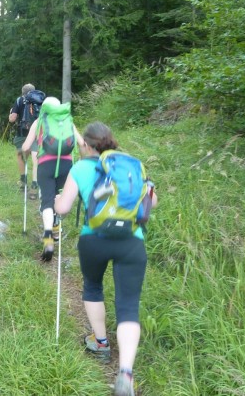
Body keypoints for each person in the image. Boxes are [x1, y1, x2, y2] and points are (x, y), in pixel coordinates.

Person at [54, 121, 158, 396]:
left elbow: (63, 208)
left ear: (86, 145)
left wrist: (56, 201)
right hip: (131, 242)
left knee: (92, 286)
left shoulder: (80, 168)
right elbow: (152, 201)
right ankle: (125, 373)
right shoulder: (130, 165)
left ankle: (100, 343)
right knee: (128, 305)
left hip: (94, 239)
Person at [21, 97, 84, 262]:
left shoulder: (40, 121)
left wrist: (25, 156)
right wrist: (83, 161)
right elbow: (82, 143)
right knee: (59, 196)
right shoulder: (68, 120)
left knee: (47, 199)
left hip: (45, 164)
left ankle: (48, 235)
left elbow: (26, 147)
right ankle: (56, 227)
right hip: (66, 165)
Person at [9, 83, 40, 200]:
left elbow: (12, 119)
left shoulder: (20, 100)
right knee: (36, 158)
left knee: (21, 155)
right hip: (37, 133)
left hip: (23, 133)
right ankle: (35, 185)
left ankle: (23, 182)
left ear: (22, 92)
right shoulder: (40, 100)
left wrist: (10, 112)